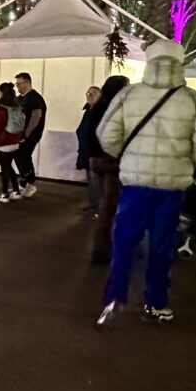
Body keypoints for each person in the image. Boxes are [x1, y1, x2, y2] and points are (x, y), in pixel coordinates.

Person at [96, 40, 196, 325]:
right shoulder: (194, 99)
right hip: (171, 186)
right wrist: (185, 162)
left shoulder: (129, 95)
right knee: (162, 244)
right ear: (179, 64)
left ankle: (115, 296)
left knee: (124, 239)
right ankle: (155, 302)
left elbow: (106, 135)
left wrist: (128, 156)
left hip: (134, 182)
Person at [87, 75, 130, 265]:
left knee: (107, 202)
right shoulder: (116, 110)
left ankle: (104, 248)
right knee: (111, 206)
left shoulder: (98, 108)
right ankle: (105, 249)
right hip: (110, 160)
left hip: (97, 159)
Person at [0, 82, 26, 203]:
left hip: (3, 141)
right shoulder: (16, 105)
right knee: (9, 166)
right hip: (15, 140)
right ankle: (15, 191)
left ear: (1, 92)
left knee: (5, 167)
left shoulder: (1, 107)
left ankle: (4, 193)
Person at [13, 72, 48, 198]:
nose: (17, 87)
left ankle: (30, 183)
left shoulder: (34, 98)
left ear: (27, 83)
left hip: (30, 135)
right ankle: (24, 181)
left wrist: (26, 134)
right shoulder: (21, 98)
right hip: (21, 134)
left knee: (24, 156)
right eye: (16, 84)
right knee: (19, 155)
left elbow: (36, 117)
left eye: (19, 84)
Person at [76, 86, 102, 215]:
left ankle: (97, 208)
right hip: (86, 150)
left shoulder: (100, 112)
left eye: (94, 93)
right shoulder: (88, 111)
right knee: (90, 180)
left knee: (95, 180)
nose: (90, 95)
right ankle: (93, 205)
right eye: (88, 93)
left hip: (95, 151)